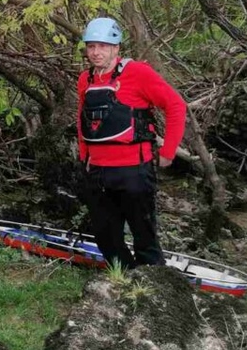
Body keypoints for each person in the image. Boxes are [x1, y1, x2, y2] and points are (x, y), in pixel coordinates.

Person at [76, 17, 187, 269]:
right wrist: (85, 157)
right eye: (91, 46)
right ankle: (125, 282)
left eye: (102, 46)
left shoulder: (138, 73)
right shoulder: (86, 79)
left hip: (134, 170)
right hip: (98, 172)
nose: (96, 52)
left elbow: (176, 105)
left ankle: (154, 286)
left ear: (116, 48)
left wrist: (168, 151)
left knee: (143, 235)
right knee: (105, 236)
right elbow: (82, 118)